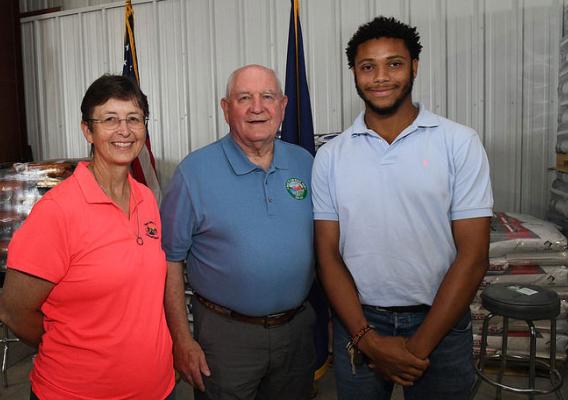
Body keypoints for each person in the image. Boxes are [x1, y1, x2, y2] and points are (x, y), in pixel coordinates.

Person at [312, 16, 493, 400]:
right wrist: (368, 339)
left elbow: (474, 256)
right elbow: (327, 255)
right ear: (354, 74)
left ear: (414, 66)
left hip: (440, 323)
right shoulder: (330, 156)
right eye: (367, 67)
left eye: (393, 63)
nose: (380, 77)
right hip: (359, 323)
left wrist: (417, 349)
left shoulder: (458, 143)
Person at [0, 75, 175, 399]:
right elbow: (14, 311)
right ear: (87, 130)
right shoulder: (57, 211)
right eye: (110, 119)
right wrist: (74, 345)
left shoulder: (146, 198)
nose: (124, 130)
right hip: (76, 391)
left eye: (134, 119)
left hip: (157, 388)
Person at [160, 64, 316, 400]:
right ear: (226, 107)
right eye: (244, 97)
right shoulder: (194, 172)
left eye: (267, 97)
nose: (257, 107)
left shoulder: (306, 163)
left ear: (283, 105)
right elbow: (169, 261)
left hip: (297, 331)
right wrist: (182, 340)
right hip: (225, 337)